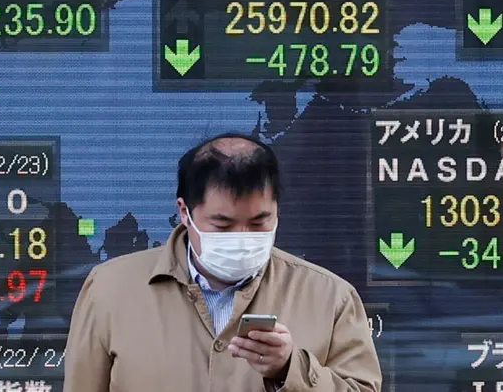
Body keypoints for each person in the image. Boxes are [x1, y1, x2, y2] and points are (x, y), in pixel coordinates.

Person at [64, 133, 382, 391]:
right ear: (184, 212)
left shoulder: (331, 298)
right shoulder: (109, 290)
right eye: (223, 225)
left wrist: (290, 369)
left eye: (259, 222)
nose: (242, 238)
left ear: (277, 211)